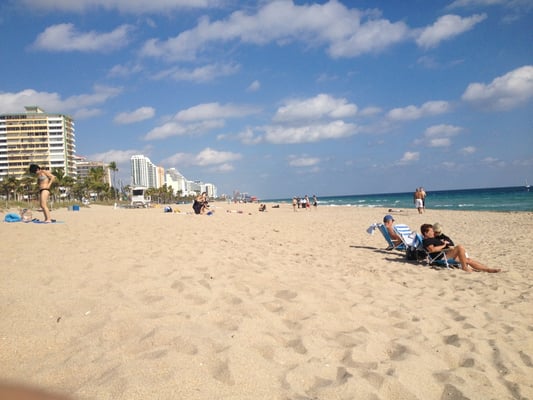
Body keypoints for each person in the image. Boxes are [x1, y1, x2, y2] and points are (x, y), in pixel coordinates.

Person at [420, 224, 500, 273]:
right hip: (441, 257)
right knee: (460, 247)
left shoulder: (435, 238)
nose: (433, 232)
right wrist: (444, 245)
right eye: (431, 231)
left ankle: (487, 269)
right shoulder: (427, 240)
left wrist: (444, 243)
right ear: (426, 233)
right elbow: (432, 250)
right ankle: (464, 267)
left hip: (446, 253)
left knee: (468, 260)